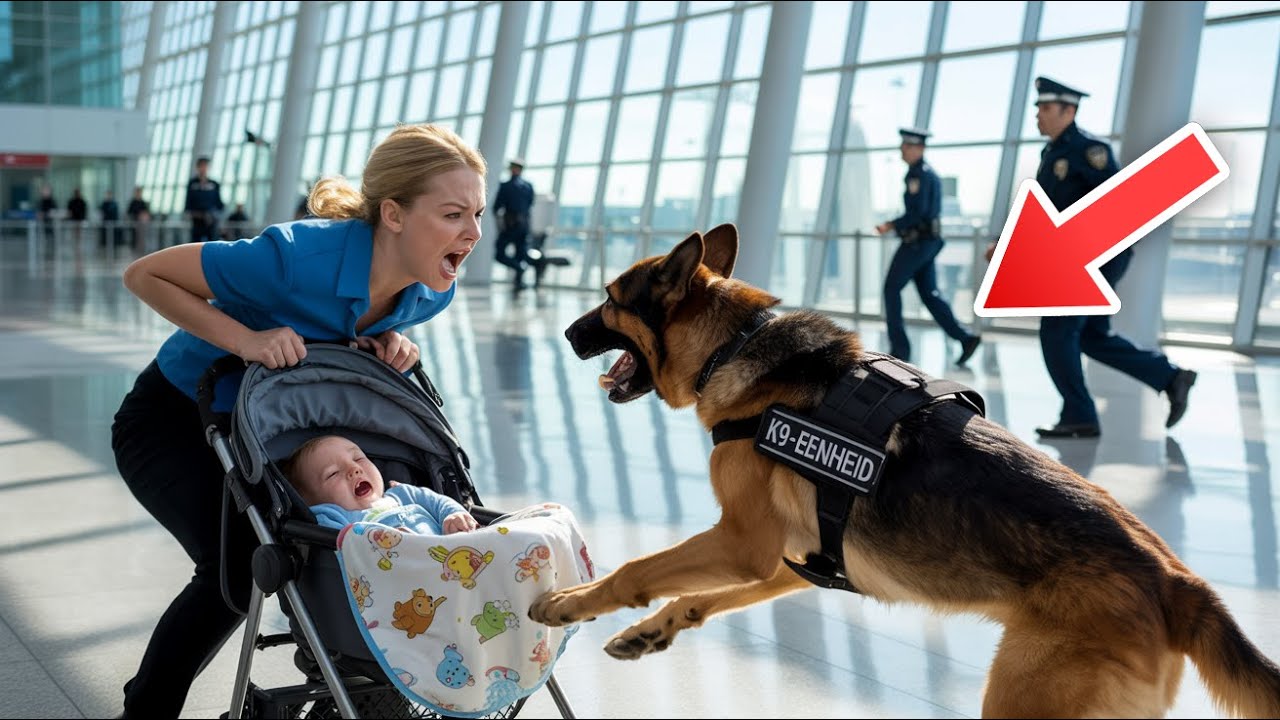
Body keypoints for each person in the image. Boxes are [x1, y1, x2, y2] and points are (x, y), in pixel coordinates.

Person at [110, 123, 487, 718]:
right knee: (232, 572)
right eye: (453, 214)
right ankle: (147, 710)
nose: (472, 233)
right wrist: (247, 340)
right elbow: (144, 274)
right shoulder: (293, 258)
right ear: (393, 213)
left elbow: (344, 334)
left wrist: (388, 342)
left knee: (325, 550)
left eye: (478, 214)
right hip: (174, 419)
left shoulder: (430, 290)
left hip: (266, 433)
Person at [985, 77, 1196, 439]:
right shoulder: (1052, 154)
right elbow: (1051, 213)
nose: (1038, 114)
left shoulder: (1088, 150)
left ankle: (1079, 414)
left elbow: (1118, 205)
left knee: (1057, 332)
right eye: (1038, 107)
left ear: (1070, 110)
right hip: (1077, 258)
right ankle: (1170, 377)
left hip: (1094, 257)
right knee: (1092, 338)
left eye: (1046, 107)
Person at [875, 128, 981, 366]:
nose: (902, 150)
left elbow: (918, 213)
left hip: (917, 243)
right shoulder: (925, 173)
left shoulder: (918, 175)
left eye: (907, 146)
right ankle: (965, 338)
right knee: (930, 295)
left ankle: (900, 349)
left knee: (891, 288)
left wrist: (891, 224)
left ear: (919, 148)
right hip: (926, 243)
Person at [281, 434, 478, 534]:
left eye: (358, 458)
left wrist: (453, 515)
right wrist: (383, 542)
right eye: (333, 474)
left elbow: (440, 503)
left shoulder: (403, 495)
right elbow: (346, 545)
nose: (354, 469)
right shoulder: (335, 518)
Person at [492, 158, 535, 290]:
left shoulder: (506, 186)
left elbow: (496, 207)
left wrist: (501, 224)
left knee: (500, 254)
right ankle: (519, 279)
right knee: (520, 254)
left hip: (510, 225)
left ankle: (518, 270)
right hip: (524, 225)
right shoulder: (528, 186)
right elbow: (530, 205)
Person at [184, 156, 225, 243]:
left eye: (206, 166)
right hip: (197, 220)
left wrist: (216, 214)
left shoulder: (214, 184)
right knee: (195, 244)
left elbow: (219, 203)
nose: (204, 168)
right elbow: (188, 202)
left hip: (211, 220)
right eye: (201, 166)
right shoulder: (192, 184)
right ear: (198, 167)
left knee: (212, 243)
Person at [127, 187, 152, 252]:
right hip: (134, 223)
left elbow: (147, 212)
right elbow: (129, 212)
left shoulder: (143, 202)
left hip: (142, 224)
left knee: (141, 238)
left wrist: (144, 216)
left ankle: (141, 250)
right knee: (134, 238)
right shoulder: (132, 202)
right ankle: (134, 250)